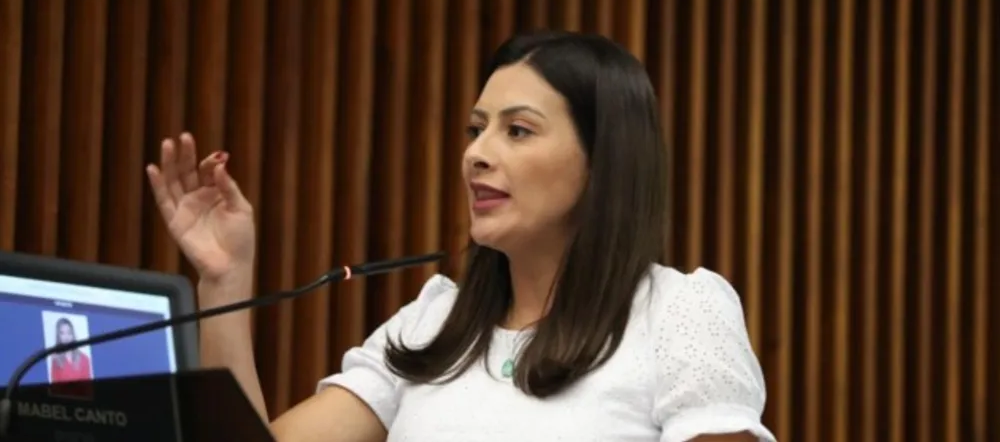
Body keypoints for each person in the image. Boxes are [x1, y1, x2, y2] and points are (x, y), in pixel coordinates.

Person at [146, 31, 775, 442]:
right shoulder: (434, 321)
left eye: (518, 131)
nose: (477, 154)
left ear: (602, 161)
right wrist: (225, 278)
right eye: (476, 129)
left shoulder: (678, 312)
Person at [49, 317, 93, 383]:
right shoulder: (55, 359)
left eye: (69, 333)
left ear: (73, 335)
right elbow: (55, 384)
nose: (66, 337)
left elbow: (87, 386)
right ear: (58, 336)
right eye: (62, 333)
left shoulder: (84, 358)